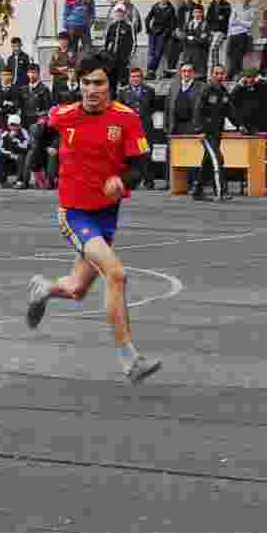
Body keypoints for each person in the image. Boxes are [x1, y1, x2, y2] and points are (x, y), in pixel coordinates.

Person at [22, 52, 161, 384]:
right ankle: (130, 360)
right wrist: (38, 163)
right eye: (86, 82)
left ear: (111, 85)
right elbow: (41, 132)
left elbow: (142, 168)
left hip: (106, 215)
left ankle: (43, 289)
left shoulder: (127, 119)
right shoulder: (64, 115)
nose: (91, 89)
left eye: (98, 82)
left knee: (76, 290)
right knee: (116, 273)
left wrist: (122, 181)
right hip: (74, 211)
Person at [192, 65, 236, 201]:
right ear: (212, 75)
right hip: (206, 132)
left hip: (217, 132)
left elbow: (230, 111)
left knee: (207, 161)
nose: (219, 76)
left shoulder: (223, 91)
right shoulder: (206, 90)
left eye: (222, 74)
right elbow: (198, 110)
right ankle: (220, 192)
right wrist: (199, 129)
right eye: (216, 73)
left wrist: (240, 125)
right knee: (218, 159)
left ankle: (197, 191)